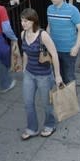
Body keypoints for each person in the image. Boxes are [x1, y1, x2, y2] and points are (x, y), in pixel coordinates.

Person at [19, 8, 63, 140]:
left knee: (46, 104)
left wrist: (58, 75)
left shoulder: (42, 35)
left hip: (44, 75)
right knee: (28, 102)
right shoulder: (23, 34)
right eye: (22, 21)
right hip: (29, 74)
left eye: (26, 21)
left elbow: (54, 54)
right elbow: (25, 52)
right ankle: (32, 128)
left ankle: (50, 124)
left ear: (33, 21)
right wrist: (24, 68)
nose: (23, 23)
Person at [46, 0, 80, 84]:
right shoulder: (49, 9)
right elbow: (49, 27)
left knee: (69, 76)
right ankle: (61, 98)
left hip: (69, 50)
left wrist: (76, 47)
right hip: (54, 49)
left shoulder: (72, 10)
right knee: (57, 76)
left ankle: (71, 99)